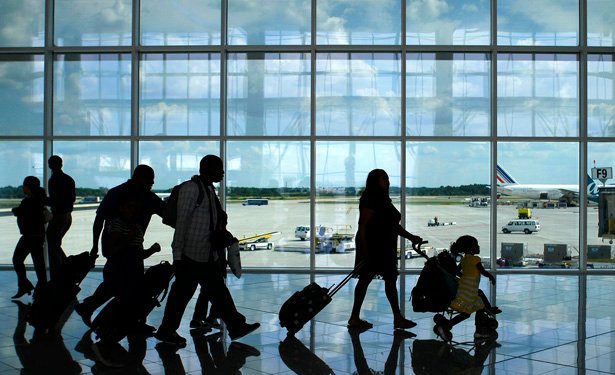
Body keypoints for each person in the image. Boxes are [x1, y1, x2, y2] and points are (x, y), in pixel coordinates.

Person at [155, 154, 260, 345]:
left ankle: (235, 325)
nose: (222, 173)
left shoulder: (209, 190)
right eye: (219, 168)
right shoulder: (191, 189)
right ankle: (166, 331)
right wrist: (177, 255)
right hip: (189, 256)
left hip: (205, 256)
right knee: (182, 296)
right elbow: (182, 223)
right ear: (206, 169)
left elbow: (210, 223)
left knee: (217, 293)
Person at [75, 165, 165, 329]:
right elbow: (99, 221)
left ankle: (91, 307)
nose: (152, 183)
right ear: (140, 178)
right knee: (125, 284)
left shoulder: (141, 196)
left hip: (131, 246)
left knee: (120, 284)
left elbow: (99, 220)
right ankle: (133, 321)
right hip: (118, 247)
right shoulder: (122, 194)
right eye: (150, 179)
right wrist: (95, 246)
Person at [90, 192, 161, 367]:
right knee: (122, 306)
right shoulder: (117, 224)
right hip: (120, 272)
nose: (133, 211)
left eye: (136, 208)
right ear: (121, 208)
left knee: (128, 306)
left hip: (133, 272)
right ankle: (104, 340)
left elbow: (137, 252)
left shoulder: (135, 226)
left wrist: (150, 251)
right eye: (130, 207)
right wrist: (127, 239)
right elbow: (111, 251)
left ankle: (109, 341)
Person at [348, 168, 423, 330]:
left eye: (388, 179)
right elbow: (363, 226)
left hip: (384, 247)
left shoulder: (382, 200)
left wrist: (411, 237)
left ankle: (391, 317)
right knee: (371, 280)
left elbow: (393, 226)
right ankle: (394, 318)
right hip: (374, 247)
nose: (387, 182)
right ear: (375, 181)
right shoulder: (370, 199)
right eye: (384, 179)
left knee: (379, 281)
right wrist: (364, 252)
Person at [434, 235, 497, 341]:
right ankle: (449, 327)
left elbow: (457, 271)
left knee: (478, 307)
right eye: (476, 245)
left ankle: (477, 330)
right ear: (470, 248)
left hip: (465, 290)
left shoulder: (464, 260)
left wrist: (464, 277)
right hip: (469, 293)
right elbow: (483, 271)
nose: (478, 247)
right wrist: (491, 277)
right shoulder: (475, 259)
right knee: (469, 312)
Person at [11, 176, 48, 298]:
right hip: (38, 235)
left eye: (24, 185)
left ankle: (25, 285)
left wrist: (16, 210)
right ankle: (41, 288)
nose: (23, 188)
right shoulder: (39, 199)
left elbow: (24, 212)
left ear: (28, 187)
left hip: (29, 236)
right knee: (38, 263)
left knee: (17, 260)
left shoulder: (29, 201)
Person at [46, 155, 76, 279]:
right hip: (68, 215)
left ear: (49, 166)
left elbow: (54, 200)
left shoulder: (54, 179)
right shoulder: (69, 179)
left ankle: (59, 273)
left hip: (58, 215)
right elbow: (72, 198)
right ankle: (68, 268)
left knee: (52, 245)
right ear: (61, 164)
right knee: (55, 244)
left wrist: (41, 200)